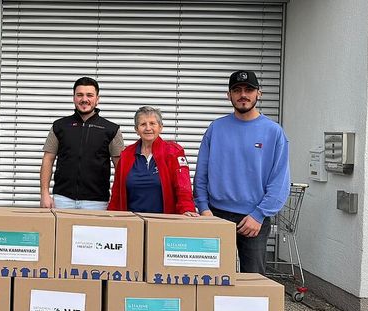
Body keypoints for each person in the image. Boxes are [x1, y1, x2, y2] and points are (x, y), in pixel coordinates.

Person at [193, 70, 290, 274]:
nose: (243, 95)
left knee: (253, 282)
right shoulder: (216, 128)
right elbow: (201, 174)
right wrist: (203, 208)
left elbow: (279, 181)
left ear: (259, 94)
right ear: (228, 95)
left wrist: (259, 214)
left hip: (254, 218)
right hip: (215, 215)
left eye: (249, 90)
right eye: (237, 90)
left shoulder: (274, 132)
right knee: (213, 279)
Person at [39, 77, 125, 209]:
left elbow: (121, 167)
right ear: (73, 98)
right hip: (62, 199)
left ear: (97, 99)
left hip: (97, 202)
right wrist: (44, 193)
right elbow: (48, 159)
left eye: (89, 95)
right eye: (79, 95)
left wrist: (118, 199)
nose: (84, 99)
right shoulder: (59, 126)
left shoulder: (111, 129)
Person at [108, 106, 197, 215]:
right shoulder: (126, 155)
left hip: (164, 220)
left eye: (152, 123)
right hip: (132, 221)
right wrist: (111, 216)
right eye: (143, 124)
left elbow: (183, 188)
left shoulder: (173, 152)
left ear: (160, 127)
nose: (148, 128)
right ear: (136, 129)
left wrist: (187, 209)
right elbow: (117, 193)